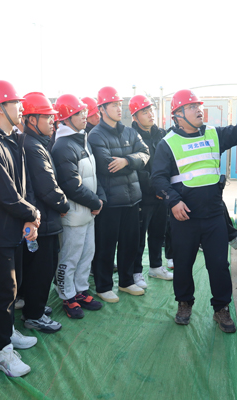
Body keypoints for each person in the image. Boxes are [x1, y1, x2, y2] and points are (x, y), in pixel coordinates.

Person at [151, 85, 237, 332]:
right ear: (178, 115)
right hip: (184, 217)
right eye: (192, 107)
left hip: (214, 215)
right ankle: (184, 303)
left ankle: (221, 309)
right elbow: (158, 179)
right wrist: (173, 201)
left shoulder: (215, 135)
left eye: (199, 106)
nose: (199, 110)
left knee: (218, 265)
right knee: (183, 264)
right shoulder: (168, 144)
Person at [0, 80, 39, 377]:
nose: (21, 108)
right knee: (4, 291)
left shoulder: (13, 139)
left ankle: (8, 332)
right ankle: (1, 352)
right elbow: (5, 193)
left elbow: (23, 187)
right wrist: (32, 213)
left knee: (14, 287)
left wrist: (29, 218)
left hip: (14, 228)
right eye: (15, 103)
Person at [88, 86, 150, 303]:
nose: (118, 108)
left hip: (132, 198)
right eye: (113, 105)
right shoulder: (95, 135)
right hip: (110, 202)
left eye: (119, 104)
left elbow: (145, 154)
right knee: (106, 246)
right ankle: (103, 286)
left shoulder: (130, 132)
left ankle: (126, 281)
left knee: (130, 243)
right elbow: (107, 166)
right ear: (102, 109)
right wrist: (133, 162)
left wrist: (126, 161)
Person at [18, 92, 69, 331]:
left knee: (38, 269)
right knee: (41, 270)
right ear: (32, 120)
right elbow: (47, 186)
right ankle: (34, 315)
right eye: (47, 117)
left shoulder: (35, 143)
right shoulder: (32, 146)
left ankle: (34, 307)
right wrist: (64, 205)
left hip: (43, 218)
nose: (52, 121)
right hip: (43, 220)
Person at [52, 94, 105, 318]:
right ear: (66, 118)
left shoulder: (82, 139)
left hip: (89, 212)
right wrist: (96, 202)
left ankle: (81, 291)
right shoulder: (63, 146)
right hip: (74, 215)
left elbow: (94, 175)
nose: (85, 116)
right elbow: (71, 185)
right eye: (78, 113)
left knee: (86, 253)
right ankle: (67, 296)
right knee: (70, 257)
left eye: (84, 112)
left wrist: (99, 198)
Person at [128, 95, 174, 287]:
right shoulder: (130, 137)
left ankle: (156, 267)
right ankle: (136, 272)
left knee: (158, 232)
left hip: (161, 194)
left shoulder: (160, 134)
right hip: (143, 196)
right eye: (145, 112)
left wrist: (163, 187)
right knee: (138, 237)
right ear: (135, 117)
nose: (150, 114)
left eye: (151, 110)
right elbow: (137, 169)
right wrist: (154, 188)